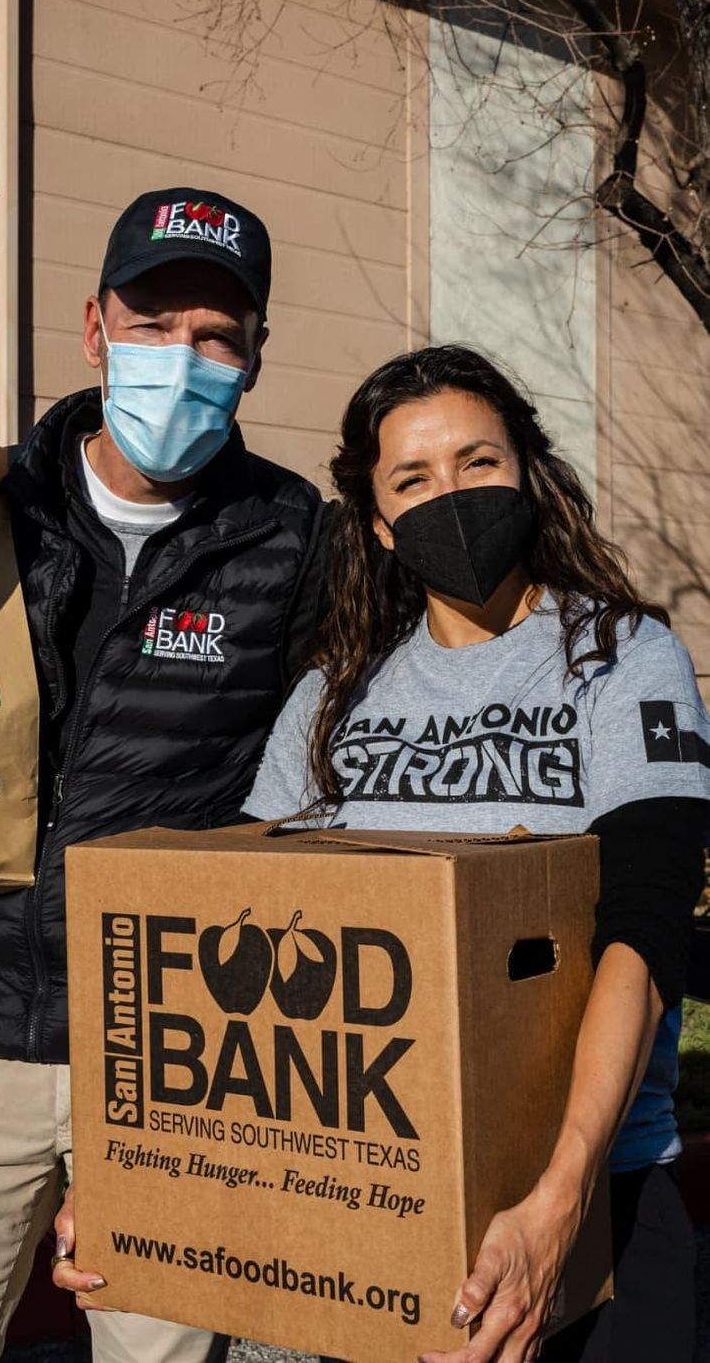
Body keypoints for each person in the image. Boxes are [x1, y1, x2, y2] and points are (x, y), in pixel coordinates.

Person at [0, 188, 328, 1363]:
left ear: (254, 358)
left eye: (217, 334)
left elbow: (321, 777)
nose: (184, 358)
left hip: (170, 1056)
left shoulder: (291, 535)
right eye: (152, 321)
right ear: (93, 328)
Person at [242, 345, 706, 1363]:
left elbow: (644, 925)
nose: (448, 496)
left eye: (475, 463)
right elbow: (241, 923)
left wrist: (558, 1200)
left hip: (597, 1180)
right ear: (374, 520)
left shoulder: (623, 658)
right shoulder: (332, 699)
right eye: (411, 479)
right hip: (364, 1178)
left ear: (527, 474)